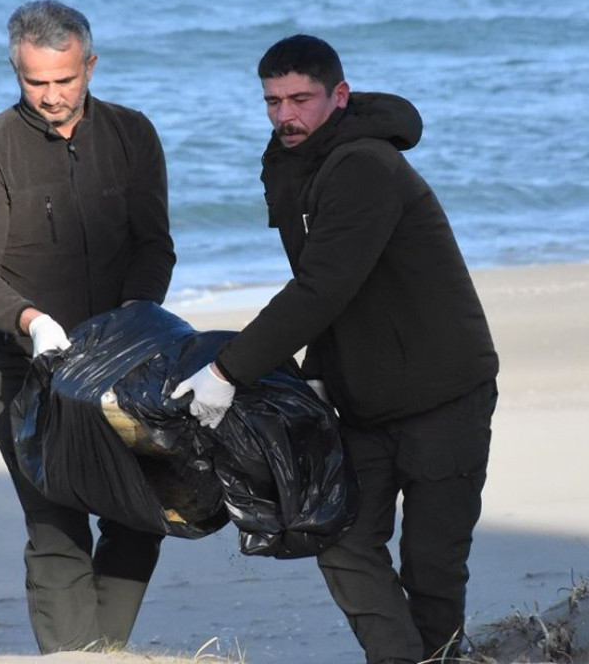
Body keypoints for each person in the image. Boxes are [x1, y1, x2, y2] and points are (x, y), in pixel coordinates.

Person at [172, 34, 499, 663]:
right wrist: (318, 373)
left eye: (300, 99)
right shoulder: (290, 164)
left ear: (339, 95)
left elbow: (322, 286)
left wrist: (227, 371)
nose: (284, 116)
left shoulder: (365, 166)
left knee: (432, 566)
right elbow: (324, 282)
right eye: (272, 101)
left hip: (445, 393)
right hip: (363, 398)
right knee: (341, 535)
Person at [0, 0, 175, 653]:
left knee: (144, 515)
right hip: (23, 367)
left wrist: (137, 314)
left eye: (65, 80)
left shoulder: (133, 135)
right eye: (35, 82)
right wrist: (33, 321)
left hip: (121, 361)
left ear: (91, 65)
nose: (50, 97)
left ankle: (98, 650)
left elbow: (153, 244)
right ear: (16, 71)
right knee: (56, 527)